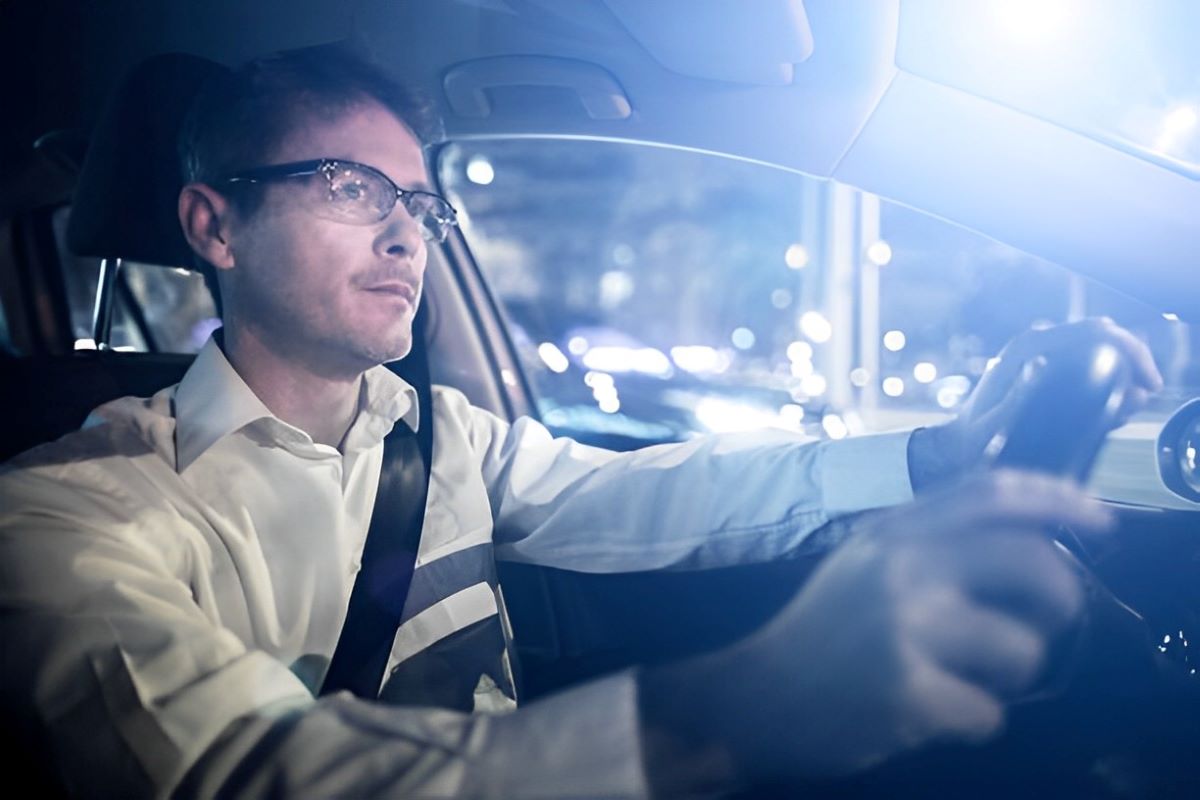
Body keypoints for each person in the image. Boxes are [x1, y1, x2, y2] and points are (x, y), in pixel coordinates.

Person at [0, 49, 1164, 798]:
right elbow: (242, 769)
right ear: (215, 224)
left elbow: (652, 490)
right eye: (352, 189)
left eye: (419, 203)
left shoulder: (442, 433)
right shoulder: (65, 511)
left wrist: (932, 454)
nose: (407, 238)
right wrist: (726, 711)